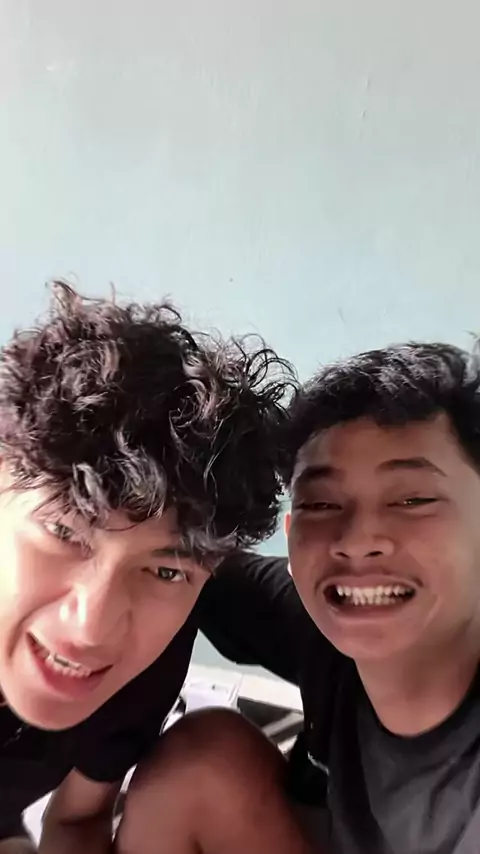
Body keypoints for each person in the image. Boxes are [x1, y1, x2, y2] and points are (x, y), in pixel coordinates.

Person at [127, 340, 480, 854]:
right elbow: (180, 558)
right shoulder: (320, 620)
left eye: (412, 499)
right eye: (321, 503)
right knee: (202, 757)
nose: (357, 540)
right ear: (292, 539)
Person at [0, 281, 294, 853]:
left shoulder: (147, 658)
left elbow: (78, 820)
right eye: (64, 533)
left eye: (166, 571)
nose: (92, 630)